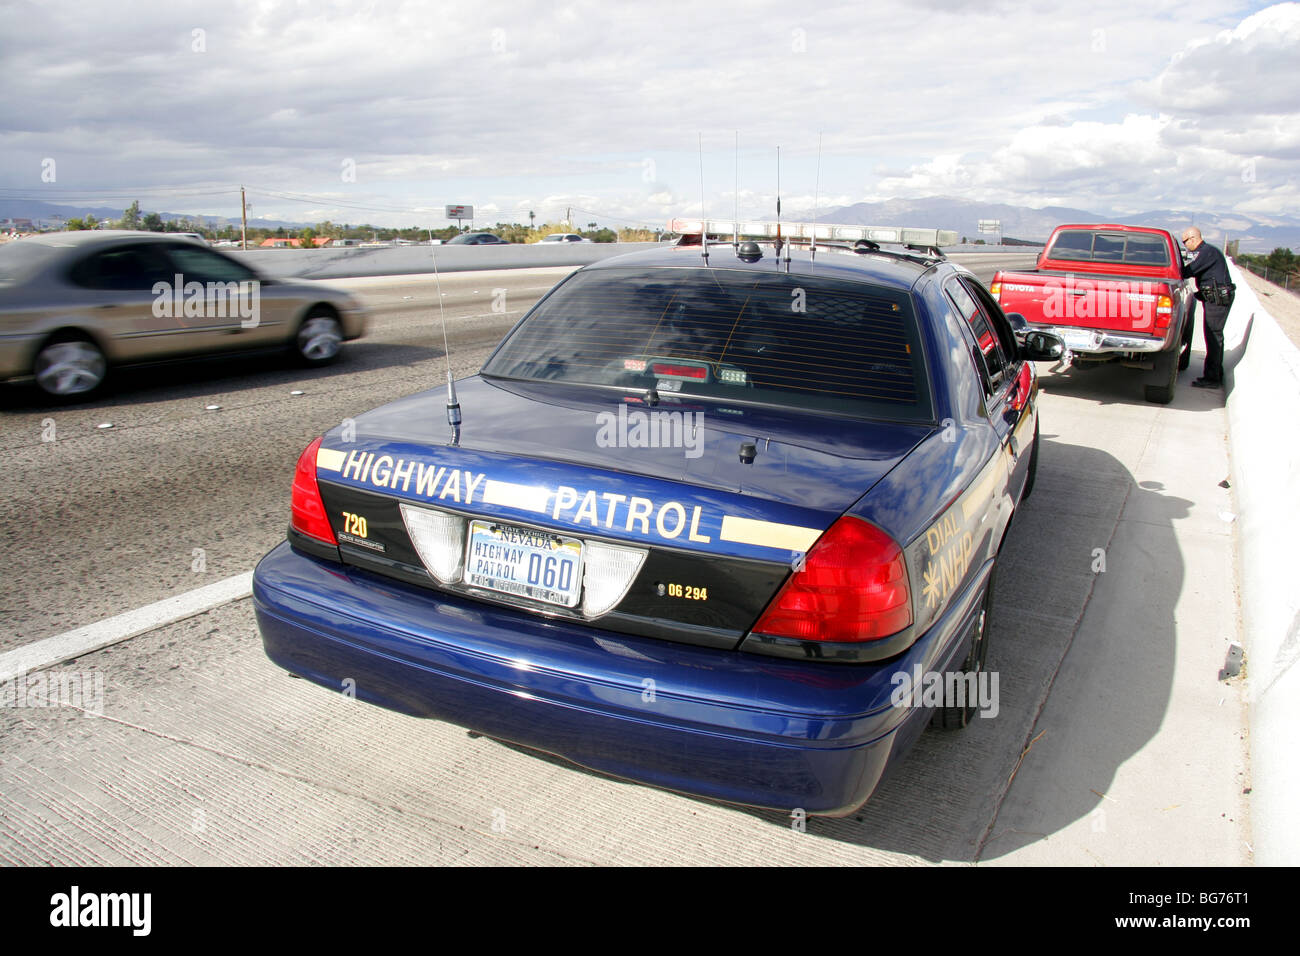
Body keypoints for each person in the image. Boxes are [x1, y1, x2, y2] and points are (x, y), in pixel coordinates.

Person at [1180, 227, 1235, 389]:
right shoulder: (1207, 252)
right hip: (1214, 298)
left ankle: (1212, 378)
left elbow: (1188, 271)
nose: (1185, 246)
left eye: (1185, 242)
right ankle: (1216, 373)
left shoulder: (1206, 252)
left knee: (1213, 336)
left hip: (1217, 299)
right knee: (1213, 336)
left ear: (1192, 238)